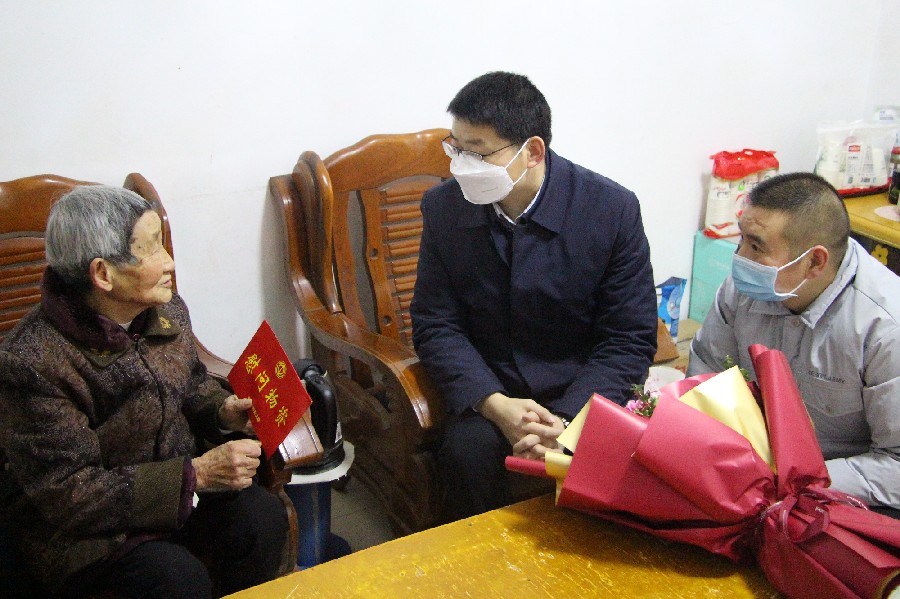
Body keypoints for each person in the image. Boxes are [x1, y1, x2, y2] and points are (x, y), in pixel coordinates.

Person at [0, 186, 288, 598]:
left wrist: (221, 412)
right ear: (103, 274)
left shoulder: (165, 311)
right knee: (174, 580)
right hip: (89, 528)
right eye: (151, 248)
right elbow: (70, 493)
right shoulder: (32, 363)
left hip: (178, 485)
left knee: (262, 519)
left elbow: (191, 384)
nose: (169, 262)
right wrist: (197, 475)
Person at [410, 71, 658, 520]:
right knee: (466, 455)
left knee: (616, 476)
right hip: (491, 386)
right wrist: (495, 404)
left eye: (478, 152)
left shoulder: (610, 210)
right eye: (456, 148)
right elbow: (436, 322)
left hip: (582, 389)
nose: (461, 165)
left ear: (533, 152)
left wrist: (566, 420)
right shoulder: (444, 207)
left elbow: (628, 337)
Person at [689, 172, 900, 511]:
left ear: (814, 262)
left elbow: (895, 466)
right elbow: (705, 378)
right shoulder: (744, 289)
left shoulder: (885, 327)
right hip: (749, 471)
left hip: (841, 492)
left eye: (757, 246)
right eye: (742, 239)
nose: (740, 257)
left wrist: (788, 485)